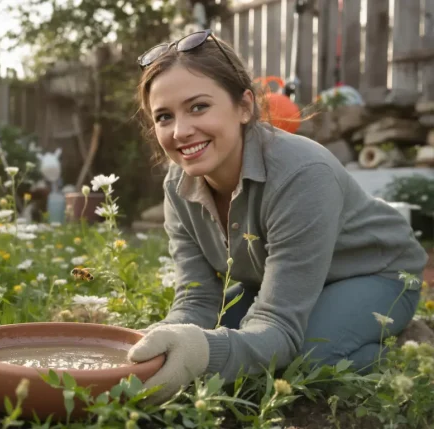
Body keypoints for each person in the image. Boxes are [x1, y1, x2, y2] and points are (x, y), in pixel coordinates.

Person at [126, 29, 428, 404]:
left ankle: (406, 345)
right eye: (164, 117)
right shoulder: (178, 184)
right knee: (224, 338)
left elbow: (277, 326)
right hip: (284, 282)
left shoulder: (301, 174)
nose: (181, 131)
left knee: (304, 362)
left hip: (374, 273)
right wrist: (160, 345)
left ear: (244, 106)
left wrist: (203, 353)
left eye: (198, 107)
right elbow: (198, 298)